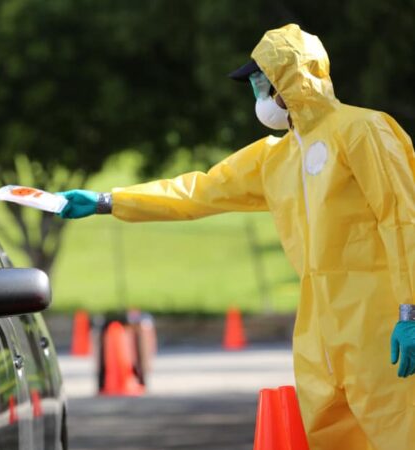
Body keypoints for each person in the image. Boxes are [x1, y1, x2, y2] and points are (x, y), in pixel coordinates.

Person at [57, 24, 415, 450]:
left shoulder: (363, 131)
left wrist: (410, 312)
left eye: (262, 82)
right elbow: (196, 192)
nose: (258, 94)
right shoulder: (275, 158)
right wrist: (106, 200)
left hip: (380, 326)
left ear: (293, 79)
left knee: (399, 434)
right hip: (318, 335)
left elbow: (403, 219)